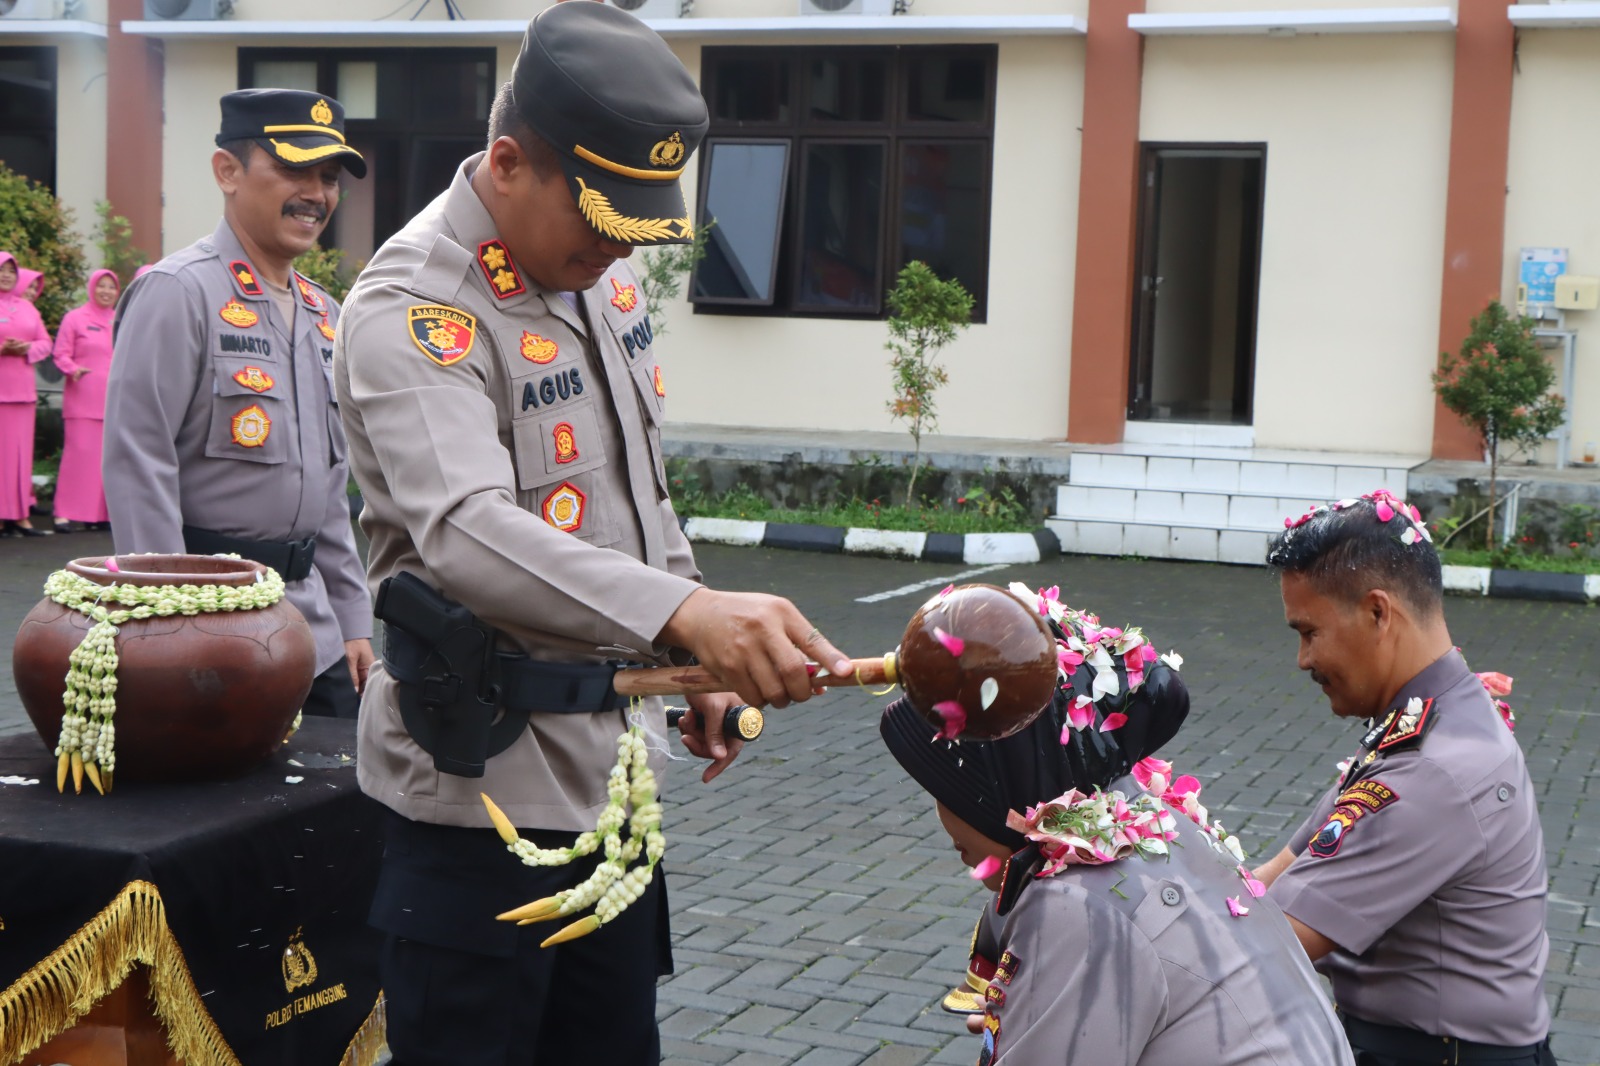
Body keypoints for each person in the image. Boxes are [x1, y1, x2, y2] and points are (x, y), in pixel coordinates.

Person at [332, 4, 851, 1062]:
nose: (618, 245)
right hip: (476, 800)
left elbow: (632, 491)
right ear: (510, 160)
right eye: (602, 213)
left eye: (634, 220)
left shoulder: (590, 277)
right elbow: (463, 530)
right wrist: (689, 612)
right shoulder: (416, 304)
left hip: (612, 786)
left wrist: (687, 650)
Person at [880, 583, 1355, 1065]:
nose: (941, 815)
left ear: (1002, 787)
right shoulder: (1158, 821)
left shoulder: (1075, 902)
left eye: (945, 787)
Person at [1255, 492, 1557, 1066]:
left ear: (1377, 612)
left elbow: (1268, 943)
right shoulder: (1426, 724)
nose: (1301, 659)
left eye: (1308, 631)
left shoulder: (1434, 769)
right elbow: (1272, 880)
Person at [103, 88, 374, 718]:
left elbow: (331, 491)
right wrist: (169, 621)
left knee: (339, 802)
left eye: (329, 177)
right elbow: (138, 463)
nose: (317, 194)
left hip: (315, 632)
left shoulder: (323, 314)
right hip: (212, 623)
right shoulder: (178, 293)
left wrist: (354, 617)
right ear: (227, 171)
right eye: (292, 170)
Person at [51, 269, 120, 532]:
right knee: (78, 458)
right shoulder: (75, 318)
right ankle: (64, 512)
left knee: (106, 460)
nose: (106, 291)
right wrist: (73, 369)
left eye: (111, 287)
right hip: (82, 399)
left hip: (113, 402)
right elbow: (60, 354)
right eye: (101, 286)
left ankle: (100, 515)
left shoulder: (119, 319)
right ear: (92, 288)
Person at [0, 252, 53, 537]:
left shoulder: (27, 309)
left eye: (11, 270)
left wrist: (26, 349)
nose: (6, 275)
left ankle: (19, 516)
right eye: (2, 270)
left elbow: (45, 342)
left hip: (22, 393)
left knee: (19, 457)